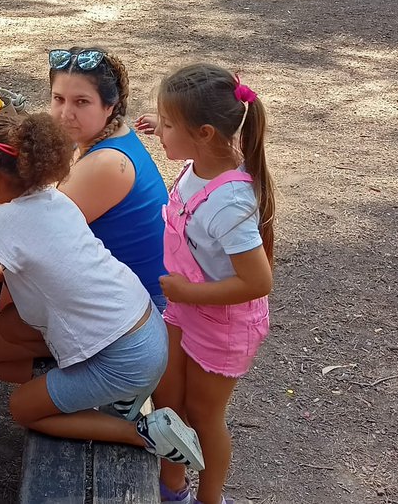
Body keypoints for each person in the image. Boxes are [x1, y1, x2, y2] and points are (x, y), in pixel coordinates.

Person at [0, 113, 205, 471]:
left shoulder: (5, 220)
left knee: (22, 408)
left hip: (125, 360)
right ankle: (91, 390)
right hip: (144, 326)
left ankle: (141, 432)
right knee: (9, 327)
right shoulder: (52, 198)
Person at [0, 47, 168, 383]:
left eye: (81, 102)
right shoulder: (103, 141)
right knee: (2, 322)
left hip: (118, 318)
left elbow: (20, 235)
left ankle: (78, 390)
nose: (65, 113)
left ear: (111, 105)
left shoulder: (105, 165)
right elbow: (23, 230)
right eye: (58, 98)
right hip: (109, 299)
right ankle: (65, 384)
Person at [136, 64, 275, 504]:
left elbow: (257, 281)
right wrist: (166, 121)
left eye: (169, 124)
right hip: (186, 306)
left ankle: (209, 498)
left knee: (203, 414)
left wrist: (188, 292)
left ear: (206, 133)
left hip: (222, 322)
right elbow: (186, 136)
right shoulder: (201, 159)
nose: (161, 134)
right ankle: (171, 487)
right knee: (168, 400)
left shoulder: (230, 202)